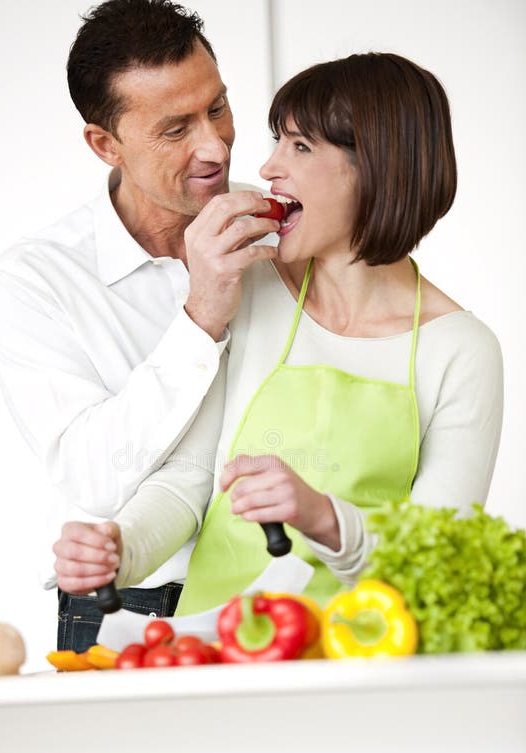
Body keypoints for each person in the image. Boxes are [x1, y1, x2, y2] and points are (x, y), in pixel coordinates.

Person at [53, 51, 503, 617]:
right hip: (220, 651)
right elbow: (191, 479)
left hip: (366, 659)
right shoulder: (255, 287)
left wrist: (322, 515)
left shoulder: (460, 349)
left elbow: (447, 559)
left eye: (301, 147)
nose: (266, 168)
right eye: (276, 142)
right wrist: (122, 547)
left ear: (380, 166)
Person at [0, 0, 279, 651]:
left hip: (277, 597)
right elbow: (94, 477)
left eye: (218, 107)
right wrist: (202, 313)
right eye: (176, 130)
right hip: (123, 613)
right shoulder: (37, 281)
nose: (216, 144)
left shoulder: (278, 242)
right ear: (105, 144)